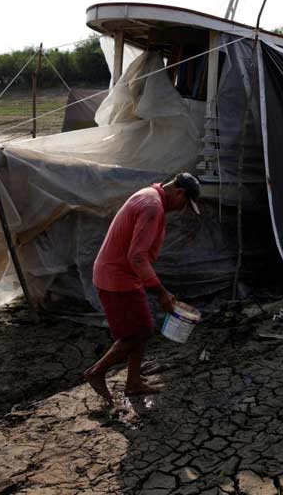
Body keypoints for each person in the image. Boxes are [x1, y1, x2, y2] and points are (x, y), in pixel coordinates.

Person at [84, 172, 201, 404]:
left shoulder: (149, 196)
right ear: (179, 192)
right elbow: (137, 256)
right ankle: (96, 372)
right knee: (137, 333)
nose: (181, 209)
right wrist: (161, 292)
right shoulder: (152, 206)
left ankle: (134, 382)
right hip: (116, 278)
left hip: (123, 274)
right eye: (185, 203)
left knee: (141, 329)